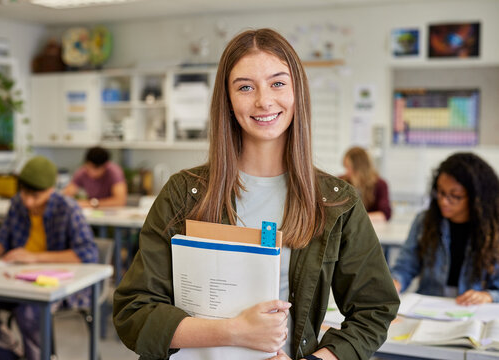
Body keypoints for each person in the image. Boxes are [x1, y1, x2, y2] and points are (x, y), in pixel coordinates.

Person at [113, 28, 398, 360]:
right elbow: (133, 312)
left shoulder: (336, 202)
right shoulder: (184, 193)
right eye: (245, 87)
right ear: (228, 100)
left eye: (277, 83)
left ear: (297, 93)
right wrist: (234, 331)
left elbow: (375, 309)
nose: (263, 100)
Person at [0, 155, 98, 360]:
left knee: (29, 311)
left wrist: (34, 257)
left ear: (51, 190)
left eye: (35, 196)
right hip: (17, 281)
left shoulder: (68, 209)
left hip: (56, 285)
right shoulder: (18, 204)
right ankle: (8, 356)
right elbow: (3, 239)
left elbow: (88, 253)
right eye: (24, 192)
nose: (28, 201)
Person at [391, 152, 499, 305]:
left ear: (477, 198)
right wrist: (395, 282)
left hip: (473, 311)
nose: (444, 201)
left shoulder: (494, 230)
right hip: (429, 306)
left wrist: (488, 296)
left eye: (455, 196)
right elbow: (406, 266)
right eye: (440, 192)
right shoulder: (424, 221)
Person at [63, 146, 127, 208]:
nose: (92, 172)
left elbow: (120, 201)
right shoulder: (82, 171)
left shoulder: (114, 172)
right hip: (93, 212)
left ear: (105, 165)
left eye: (96, 168)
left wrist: (92, 203)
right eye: (89, 167)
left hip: (111, 211)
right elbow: (67, 194)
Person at [340, 146, 392, 222]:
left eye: (349, 167)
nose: (347, 172)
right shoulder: (341, 182)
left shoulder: (380, 184)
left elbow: (384, 214)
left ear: (360, 168)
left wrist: (356, 219)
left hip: (372, 229)